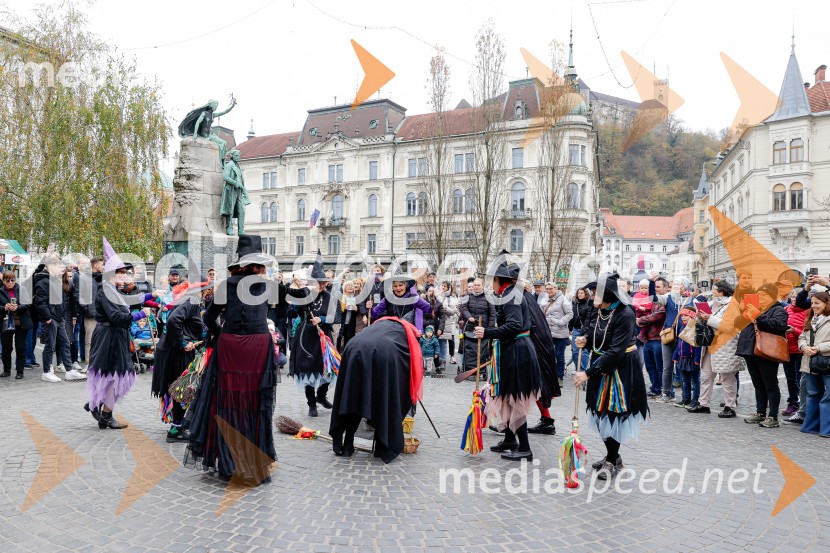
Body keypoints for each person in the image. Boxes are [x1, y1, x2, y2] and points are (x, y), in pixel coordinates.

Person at [185, 235, 277, 485]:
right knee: (255, 403)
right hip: (258, 347)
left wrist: (219, 333)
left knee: (227, 401)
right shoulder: (268, 285)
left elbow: (208, 317)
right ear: (257, 265)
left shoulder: (227, 285)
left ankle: (228, 462)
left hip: (231, 346)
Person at [574, 273, 649, 480]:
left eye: (595, 292)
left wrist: (587, 373)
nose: (591, 295)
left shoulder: (625, 314)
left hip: (620, 367)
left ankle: (612, 459)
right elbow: (594, 333)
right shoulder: (599, 310)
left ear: (606, 294)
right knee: (599, 411)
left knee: (612, 412)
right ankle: (613, 456)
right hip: (602, 363)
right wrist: (585, 339)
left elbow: (616, 351)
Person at [329, 313, 425, 463]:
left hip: (354, 347)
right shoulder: (407, 334)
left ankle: (347, 444)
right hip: (384, 352)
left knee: (353, 395)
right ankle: (382, 446)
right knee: (384, 396)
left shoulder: (379, 325)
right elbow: (406, 376)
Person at [474, 252, 541, 461]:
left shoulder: (510, 296)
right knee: (507, 395)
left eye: (491, 280)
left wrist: (487, 333)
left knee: (515, 397)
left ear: (498, 280)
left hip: (517, 352)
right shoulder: (509, 294)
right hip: (513, 349)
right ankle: (511, 440)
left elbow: (513, 326)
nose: (489, 284)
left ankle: (525, 449)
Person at [84, 238, 152, 429]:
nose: (125, 276)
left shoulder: (114, 290)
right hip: (109, 336)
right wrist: (140, 313)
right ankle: (104, 413)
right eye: (121, 273)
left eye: (125, 272)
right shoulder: (107, 290)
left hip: (115, 335)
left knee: (114, 375)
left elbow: (129, 301)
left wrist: (150, 296)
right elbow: (117, 316)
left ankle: (98, 406)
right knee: (114, 375)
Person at [151, 281, 209, 442]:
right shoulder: (191, 301)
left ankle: (177, 424)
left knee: (180, 387)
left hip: (173, 349)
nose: (210, 292)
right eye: (208, 289)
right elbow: (173, 320)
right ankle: (176, 429)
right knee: (182, 388)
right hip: (177, 351)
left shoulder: (189, 300)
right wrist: (184, 342)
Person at [286, 251, 335, 417]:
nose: (320, 285)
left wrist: (321, 319)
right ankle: (311, 404)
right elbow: (294, 310)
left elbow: (334, 316)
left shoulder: (329, 296)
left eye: (323, 283)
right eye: (317, 282)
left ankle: (321, 395)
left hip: (323, 336)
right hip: (306, 336)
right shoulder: (305, 294)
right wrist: (300, 297)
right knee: (308, 370)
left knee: (328, 368)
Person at [736, 283, 789, 428]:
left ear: (772, 297)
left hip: (767, 352)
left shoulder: (778, 310)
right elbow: (738, 324)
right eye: (758, 295)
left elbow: (778, 325)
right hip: (750, 350)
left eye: (764, 295)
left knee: (770, 384)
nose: (760, 298)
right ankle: (760, 413)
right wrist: (743, 312)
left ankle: (772, 416)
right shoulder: (754, 308)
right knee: (758, 384)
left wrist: (758, 315)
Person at [695, 280, 741, 417]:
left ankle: (730, 406)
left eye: (714, 289)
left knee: (727, 377)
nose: (712, 291)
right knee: (706, 376)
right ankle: (703, 404)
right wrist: (701, 317)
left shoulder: (733, 305)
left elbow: (728, 326)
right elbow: (707, 322)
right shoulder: (713, 304)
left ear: (721, 291)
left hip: (725, 345)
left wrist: (708, 318)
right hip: (711, 344)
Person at [33, 255, 82, 382]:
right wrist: (48, 318)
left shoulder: (55, 280)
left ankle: (69, 370)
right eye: (58, 265)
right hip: (51, 319)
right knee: (50, 345)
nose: (61, 268)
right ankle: (46, 372)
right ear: (49, 266)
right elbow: (40, 302)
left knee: (65, 343)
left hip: (59, 318)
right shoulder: (43, 281)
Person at [798, 291, 830, 437]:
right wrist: (803, 347)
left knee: (828, 396)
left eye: (817, 303)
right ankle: (810, 426)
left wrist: (818, 348)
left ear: (826, 303)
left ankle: (826, 429)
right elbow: (802, 336)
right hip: (810, 362)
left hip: (826, 361)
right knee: (812, 394)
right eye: (812, 303)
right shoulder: (811, 318)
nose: (813, 306)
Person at [635, 281, 666, 398]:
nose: (655, 289)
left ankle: (663, 389)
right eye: (655, 287)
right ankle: (655, 388)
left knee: (659, 367)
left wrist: (638, 320)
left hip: (657, 339)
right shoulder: (648, 302)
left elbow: (654, 317)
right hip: (647, 339)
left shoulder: (663, 303)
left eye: (658, 287)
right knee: (650, 367)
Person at [460, 278, 496, 378]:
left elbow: (492, 314)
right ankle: (468, 369)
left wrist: (489, 329)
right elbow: (464, 308)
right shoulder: (468, 297)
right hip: (470, 327)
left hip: (483, 328)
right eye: (475, 285)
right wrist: (469, 317)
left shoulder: (488, 297)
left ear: (482, 286)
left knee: (481, 351)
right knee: (470, 350)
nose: (476, 287)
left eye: (478, 285)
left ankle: (481, 370)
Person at [1, 271, 32, 379]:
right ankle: (6, 370)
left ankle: (20, 371)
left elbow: (28, 304)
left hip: (21, 322)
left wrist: (18, 307)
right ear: (3, 281)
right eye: (7, 280)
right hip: (6, 323)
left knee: (20, 347)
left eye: (12, 280)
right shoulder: (0, 291)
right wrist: (4, 307)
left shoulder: (22, 289)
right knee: (6, 348)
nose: (10, 282)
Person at [542, 281, 572, 386]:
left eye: (551, 288)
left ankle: (559, 377)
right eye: (547, 289)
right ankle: (550, 375)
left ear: (556, 289)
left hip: (560, 333)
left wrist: (560, 323)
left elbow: (570, 314)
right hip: (548, 333)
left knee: (559, 355)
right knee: (549, 354)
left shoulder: (563, 299)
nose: (549, 290)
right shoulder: (544, 300)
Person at [673, 306, 701, 408]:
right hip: (682, 358)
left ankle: (696, 400)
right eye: (682, 316)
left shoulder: (695, 327)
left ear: (692, 316)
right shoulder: (682, 326)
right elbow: (679, 343)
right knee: (684, 380)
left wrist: (697, 359)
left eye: (686, 316)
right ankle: (686, 399)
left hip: (692, 358)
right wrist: (676, 355)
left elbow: (697, 345)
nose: (683, 318)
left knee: (694, 380)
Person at [569, 287, 592, 374]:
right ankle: (577, 368)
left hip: (585, 331)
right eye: (578, 293)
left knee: (585, 351)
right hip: (576, 329)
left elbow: (588, 319)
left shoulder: (589, 304)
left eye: (582, 293)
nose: (580, 295)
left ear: (585, 294)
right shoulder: (575, 304)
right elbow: (572, 316)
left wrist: (584, 330)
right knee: (575, 351)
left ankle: (582, 370)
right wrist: (570, 328)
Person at [438, 282, 459, 368]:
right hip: (438, 321)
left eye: (445, 286)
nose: (443, 287)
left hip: (448, 322)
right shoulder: (437, 295)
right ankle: (437, 361)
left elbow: (454, 311)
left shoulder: (452, 298)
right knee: (437, 342)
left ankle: (446, 359)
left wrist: (446, 309)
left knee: (447, 341)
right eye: (442, 285)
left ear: (448, 287)